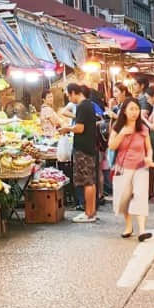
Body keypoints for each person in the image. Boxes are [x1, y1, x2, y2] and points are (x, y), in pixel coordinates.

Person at [109, 97, 153, 241]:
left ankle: (142, 230)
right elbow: (111, 146)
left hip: (140, 167)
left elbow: (149, 148)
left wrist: (149, 158)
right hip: (123, 167)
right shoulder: (118, 126)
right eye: (131, 109)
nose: (134, 112)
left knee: (140, 196)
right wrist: (122, 133)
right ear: (124, 111)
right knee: (125, 197)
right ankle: (128, 226)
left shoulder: (143, 128)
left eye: (136, 109)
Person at [60, 84, 99, 223]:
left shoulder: (83, 106)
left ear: (73, 93)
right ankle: (91, 211)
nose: (70, 99)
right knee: (91, 181)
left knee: (87, 181)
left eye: (69, 96)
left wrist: (67, 129)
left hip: (83, 149)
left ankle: (88, 213)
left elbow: (80, 128)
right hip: (89, 147)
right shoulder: (89, 105)